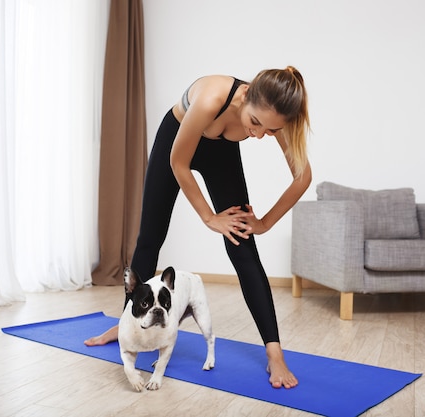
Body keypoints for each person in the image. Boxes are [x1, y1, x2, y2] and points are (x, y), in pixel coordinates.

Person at [85, 67, 312, 389]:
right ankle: (125, 326)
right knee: (150, 236)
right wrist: (209, 217)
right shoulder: (211, 99)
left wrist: (263, 223)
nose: (260, 135)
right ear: (246, 95)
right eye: (256, 123)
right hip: (175, 141)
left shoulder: (275, 111)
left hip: (221, 154)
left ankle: (275, 353)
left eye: (271, 131)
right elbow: (179, 162)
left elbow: (303, 177)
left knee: (243, 245)